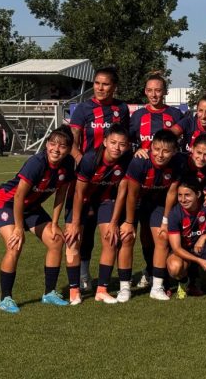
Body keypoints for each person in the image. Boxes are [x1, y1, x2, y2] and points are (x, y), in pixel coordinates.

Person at [0, 126, 76, 313]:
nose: (56, 149)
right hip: (5, 202)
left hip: (30, 206)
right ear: (46, 145)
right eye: (52, 144)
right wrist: (19, 228)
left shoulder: (68, 163)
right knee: (15, 245)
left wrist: (54, 223)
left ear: (69, 149)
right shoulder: (36, 163)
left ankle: (49, 293)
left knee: (56, 240)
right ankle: (5, 298)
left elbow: (61, 193)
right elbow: (19, 195)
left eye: (62, 146)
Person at [69, 66, 130, 291]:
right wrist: (84, 163)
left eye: (105, 84)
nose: (100, 88)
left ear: (114, 87)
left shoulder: (121, 108)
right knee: (83, 227)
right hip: (87, 177)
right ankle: (83, 274)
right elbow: (74, 140)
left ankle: (104, 282)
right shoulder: (83, 108)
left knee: (107, 229)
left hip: (110, 180)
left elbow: (122, 139)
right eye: (97, 83)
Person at [63, 123, 135, 304]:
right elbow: (79, 193)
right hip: (81, 200)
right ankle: (74, 290)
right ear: (105, 142)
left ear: (127, 146)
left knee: (111, 238)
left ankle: (101, 290)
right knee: (73, 240)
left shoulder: (127, 160)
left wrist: (113, 222)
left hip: (105, 201)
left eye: (122, 144)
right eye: (113, 142)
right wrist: (75, 222)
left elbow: (122, 192)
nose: (117, 147)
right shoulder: (89, 159)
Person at [120, 130, 185, 300]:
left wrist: (165, 221)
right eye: (156, 149)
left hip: (158, 203)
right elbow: (131, 195)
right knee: (127, 238)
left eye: (166, 151)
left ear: (174, 151)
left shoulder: (178, 162)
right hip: (136, 202)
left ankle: (157, 287)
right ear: (150, 147)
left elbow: (172, 193)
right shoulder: (139, 162)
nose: (160, 154)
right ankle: (124, 287)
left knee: (161, 238)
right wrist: (128, 221)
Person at [166, 179, 206, 302]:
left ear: (198, 195)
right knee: (175, 267)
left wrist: (204, 237)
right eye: (180, 195)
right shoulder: (174, 213)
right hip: (185, 250)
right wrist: (199, 261)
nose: (183, 199)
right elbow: (176, 248)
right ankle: (185, 283)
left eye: (187, 195)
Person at [130, 71, 184, 155]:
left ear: (165, 91)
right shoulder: (137, 115)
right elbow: (128, 141)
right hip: (144, 163)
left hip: (169, 164)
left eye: (158, 90)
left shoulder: (176, 114)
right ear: (145, 91)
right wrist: (136, 150)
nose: (153, 95)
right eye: (149, 90)